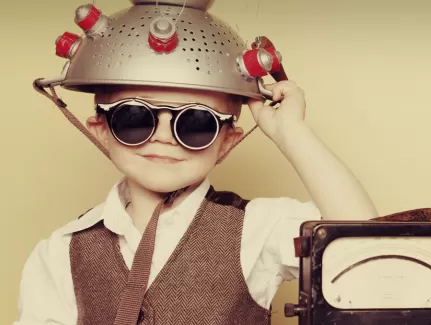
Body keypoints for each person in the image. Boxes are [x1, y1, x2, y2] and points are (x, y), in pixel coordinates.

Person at [16, 1, 378, 324]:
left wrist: (291, 133)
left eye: (195, 123)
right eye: (135, 118)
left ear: (226, 143)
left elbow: (368, 245)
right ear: (101, 129)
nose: (162, 136)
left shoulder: (256, 230)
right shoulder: (61, 251)